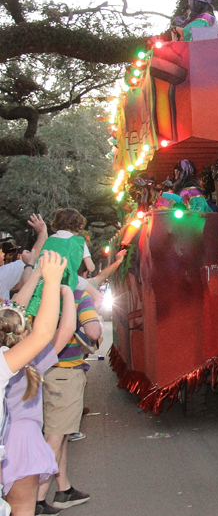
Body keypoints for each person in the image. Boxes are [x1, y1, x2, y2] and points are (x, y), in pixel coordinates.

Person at [3, 252, 74, 516]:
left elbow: (11, 310)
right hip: (21, 442)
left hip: (4, 437)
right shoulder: (28, 363)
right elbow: (58, 332)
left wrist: (35, 273)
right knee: (22, 509)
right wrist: (62, 290)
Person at [34, 289, 98, 511]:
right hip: (65, 374)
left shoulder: (38, 294)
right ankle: (37, 500)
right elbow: (93, 330)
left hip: (41, 371)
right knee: (55, 437)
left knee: (57, 434)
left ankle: (64, 490)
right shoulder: (77, 294)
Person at [0, 215, 47, 302]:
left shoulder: (2, 275)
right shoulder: (2, 276)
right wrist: (42, 232)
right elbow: (32, 259)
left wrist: (42, 233)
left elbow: (32, 258)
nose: (2, 254)